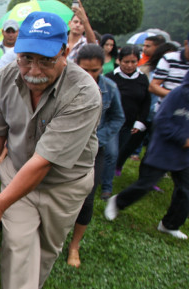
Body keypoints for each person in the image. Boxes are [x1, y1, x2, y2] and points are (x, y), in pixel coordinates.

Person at [0, 11, 101, 289]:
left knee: (47, 249)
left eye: (45, 61)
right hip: (17, 168)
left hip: (66, 182)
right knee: (17, 243)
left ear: (63, 52)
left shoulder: (84, 93)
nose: (34, 71)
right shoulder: (5, 78)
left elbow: (45, 163)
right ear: (18, 53)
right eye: (27, 58)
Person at [105, 72, 189, 240]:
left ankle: (169, 225)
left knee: (186, 191)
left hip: (185, 155)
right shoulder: (178, 94)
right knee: (146, 184)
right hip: (164, 149)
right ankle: (118, 201)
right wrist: (181, 138)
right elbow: (161, 120)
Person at [67, 44, 124, 267]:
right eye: (85, 70)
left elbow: (118, 117)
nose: (90, 75)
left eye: (95, 71)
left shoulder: (110, 88)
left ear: (102, 68)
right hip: (64, 149)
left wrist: (96, 138)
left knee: (87, 198)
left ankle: (74, 246)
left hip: (93, 152)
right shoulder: (65, 85)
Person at [104, 45, 150, 181]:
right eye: (126, 62)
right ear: (119, 60)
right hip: (111, 122)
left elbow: (146, 101)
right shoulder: (111, 77)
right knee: (110, 152)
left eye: (133, 62)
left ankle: (109, 173)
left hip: (130, 123)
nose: (130, 65)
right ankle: (106, 183)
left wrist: (140, 121)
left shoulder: (142, 79)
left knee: (119, 151)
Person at [149, 34, 189, 101]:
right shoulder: (169, 58)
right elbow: (153, 86)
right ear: (186, 43)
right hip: (167, 108)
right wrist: (176, 96)